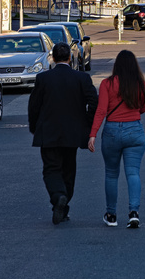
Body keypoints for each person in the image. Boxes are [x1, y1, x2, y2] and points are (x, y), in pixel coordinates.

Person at [28, 41, 98, 225]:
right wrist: (88, 125)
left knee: (51, 169)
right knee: (68, 171)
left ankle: (58, 197)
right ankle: (63, 206)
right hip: (73, 134)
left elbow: (33, 106)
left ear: (53, 58)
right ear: (69, 57)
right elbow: (94, 102)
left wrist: (34, 127)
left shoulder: (43, 79)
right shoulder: (82, 78)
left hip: (48, 132)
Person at [88, 49, 145, 228]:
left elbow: (101, 110)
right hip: (134, 129)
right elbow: (143, 108)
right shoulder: (139, 83)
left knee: (111, 174)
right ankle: (134, 212)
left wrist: (93, 134)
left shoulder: (107, 84)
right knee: (133, 173)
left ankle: (111, 214)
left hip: (112, 131)